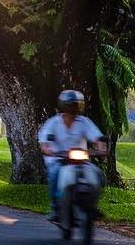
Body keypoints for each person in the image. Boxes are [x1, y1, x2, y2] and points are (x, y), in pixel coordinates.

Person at [38, 90, 107, 221]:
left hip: (80, 159)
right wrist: (48, 150)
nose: (73, 108)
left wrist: (101, 148)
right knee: (54, 174)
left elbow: (97, 137)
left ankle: (93, 204)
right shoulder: (53, 123)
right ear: (63, 105)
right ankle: (55, 207)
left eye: (76, 105)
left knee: (97, 175)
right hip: (58, 159)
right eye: (70, 105)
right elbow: (44, 142)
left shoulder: (84, 122)